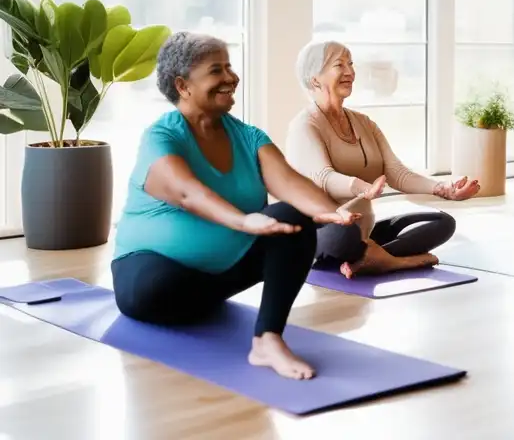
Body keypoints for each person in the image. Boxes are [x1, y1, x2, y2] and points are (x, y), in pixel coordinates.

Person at [112, 33, 360, 381]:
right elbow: (187, 193)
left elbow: (288, 182)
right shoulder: (161, 137)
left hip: (216, 281)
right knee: (158, 286)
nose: (231, 77)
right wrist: (243, 222)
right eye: (217, 70)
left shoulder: (248, 136)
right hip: (155, 286)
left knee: (293, 218)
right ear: (183, 86)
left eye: (229, 67)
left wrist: (333, 212)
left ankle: (267, 340)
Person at [286, 40, 479, 278]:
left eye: (351, 63)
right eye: (339, 65)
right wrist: (363, 189)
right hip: (321, 232)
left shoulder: (364, 123)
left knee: (442, 222)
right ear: (314, 78)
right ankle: (395, 262)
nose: (350, 72)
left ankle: (372, 257)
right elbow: (323, 177)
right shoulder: (304, 125)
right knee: (344, 233)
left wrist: (442, 189)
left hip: (363, 231)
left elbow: (397, 173)